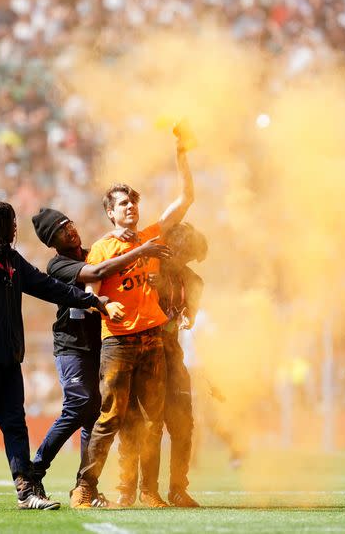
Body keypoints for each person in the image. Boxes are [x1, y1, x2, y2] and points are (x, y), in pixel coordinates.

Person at [0, 201, 119, 512]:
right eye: (10, 223)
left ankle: (26, 491)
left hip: (8, 362)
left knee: (15, 426)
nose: (15, 229)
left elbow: (51, 288)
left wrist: (92, 301)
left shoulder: (11, 261)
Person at [71, 131, 195, 508]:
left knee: (153, 421)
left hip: (151, 340)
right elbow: (92, 288)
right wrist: (106, 305)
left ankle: (149, 491)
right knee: (110, 419)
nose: (130, 208)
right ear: (110, 212)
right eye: (123, 204)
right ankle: (86, 488)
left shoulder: (152, 235)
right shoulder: (104, 248)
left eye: (133, 203)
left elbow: (186, 198)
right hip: (119, 343)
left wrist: (181, 154)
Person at [29, 207, 172, 506]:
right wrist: (137, 251)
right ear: (51, 242)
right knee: (80, 406)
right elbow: (97, 273)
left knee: (96, 416)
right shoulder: (59, 265)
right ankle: (34, 472)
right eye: (60, 230)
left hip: (103, 344)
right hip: (72, 346)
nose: (70, 230)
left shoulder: (98, 249)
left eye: (69, 224)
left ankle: (86, 488)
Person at [117, 222, 207, 508]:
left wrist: (181, 317)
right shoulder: (146, 270)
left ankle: (178, 489)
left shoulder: (194, 282)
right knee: (137, 424)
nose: (184, 261)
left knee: (183, 424)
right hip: (140, 356)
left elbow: (187, 318)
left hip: (171, 356)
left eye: (190, 257)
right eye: (182, 254)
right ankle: (129, 488)